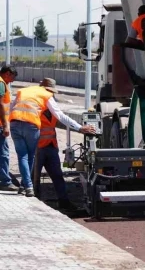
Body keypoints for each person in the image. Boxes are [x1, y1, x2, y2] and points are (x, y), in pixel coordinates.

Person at [34, 78, 96, 210]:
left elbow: (60, 118)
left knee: (57, 175)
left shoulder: (50, 103)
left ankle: (64, 202)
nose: (52, 95)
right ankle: (34, 202)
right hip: (37, 147)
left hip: (50, 146)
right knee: (35, 176)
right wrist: (80, 128)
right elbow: (61, 117)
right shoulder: (35, 104)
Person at [9, 79, 56, 197]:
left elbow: (11, 107)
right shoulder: (46, 96)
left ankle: (24, 185)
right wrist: (80, 128)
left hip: (15, 123)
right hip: (31, 127)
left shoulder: (24, 91)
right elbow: (60, 115)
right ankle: (28, 186)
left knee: (22, 156)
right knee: (29, 157)